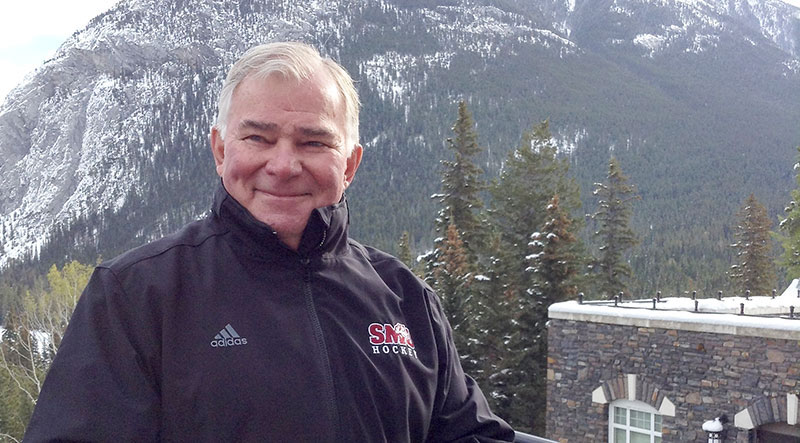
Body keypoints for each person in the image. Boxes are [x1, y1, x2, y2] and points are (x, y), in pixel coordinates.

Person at [25, 42, 515, 442]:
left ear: (350, 164)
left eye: (313, 142)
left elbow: (468, 435)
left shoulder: (406, 299)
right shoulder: (136, 294)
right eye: (257, 138)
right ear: (220, 150)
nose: (283, 165)